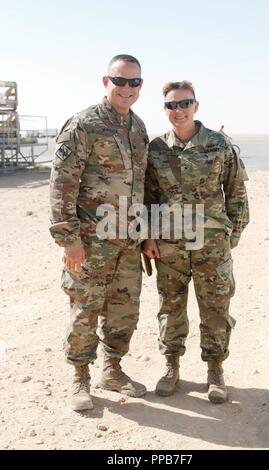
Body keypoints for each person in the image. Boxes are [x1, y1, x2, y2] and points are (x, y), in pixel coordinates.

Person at [49, 54, 149, 411]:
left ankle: (113, 369)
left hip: (128, 241)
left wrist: (146, 233)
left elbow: (141, 187)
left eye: (133, 82)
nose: (126, 88)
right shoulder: (84, 124)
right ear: (105, 82)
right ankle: (80, 378)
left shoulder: (138, 128)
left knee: (124, 310)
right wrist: (70, 241)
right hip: (91, 243)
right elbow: (62, 184)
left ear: (140, 86)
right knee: (85, 309)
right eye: (119, 81)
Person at [143, 81, 249, 404]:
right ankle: (171, 366)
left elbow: (237, 194)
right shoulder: (156, 149)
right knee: (170, 308)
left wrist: (231, 236)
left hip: (211, 246)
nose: (179, 110)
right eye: (172, 105)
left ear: (196, 105)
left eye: (184, 103)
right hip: (169, 247)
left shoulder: (219, 145)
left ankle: (215, 370)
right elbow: (147, 197)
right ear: (165, 109)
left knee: (215, 308)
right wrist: (147, 236)